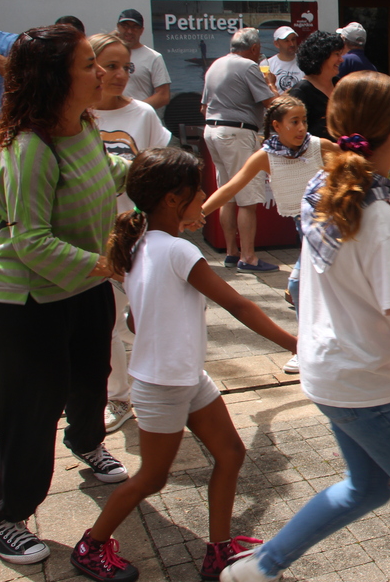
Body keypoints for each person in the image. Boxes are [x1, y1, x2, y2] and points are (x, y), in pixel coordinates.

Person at [221, 71, 390, 582]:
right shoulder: (380, 219)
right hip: (368, 382)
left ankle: (260, 567)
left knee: (366, 487)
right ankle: (262, 566)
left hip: (328, 372)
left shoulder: (323, 187)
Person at [70, 148, 298, 582]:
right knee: (151, 479)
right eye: (198, 192)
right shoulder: (178, 251)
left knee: (231, 453)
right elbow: (238, 305)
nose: (205, 198)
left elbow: (135, 319)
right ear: (173, 200)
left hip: (186, 377)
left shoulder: (141, 243)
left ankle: (218, 551)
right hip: (163, 384)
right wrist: (294, 343)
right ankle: (90, 547)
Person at [0, 26, 130, 565]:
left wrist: (148, 173)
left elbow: (106, 172)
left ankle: (87, 442)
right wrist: (107, 264)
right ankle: (8, 512)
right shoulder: (30, 147)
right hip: (31, 300)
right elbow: (29, 241)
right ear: (55, 79)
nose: (101, 72)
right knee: (33, 407)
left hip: (85, 284)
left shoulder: (83, 125)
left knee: (91, 375)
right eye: (87, 65)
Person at [202, 96, 340, 376]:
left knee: (300, 285)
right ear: (276, 126)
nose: (302, 127)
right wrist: (199, 213)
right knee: (311, 287)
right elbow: (231, 188)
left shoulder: (318, 146)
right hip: (307, 229)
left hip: (332, 226)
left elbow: (357, 162)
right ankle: (320, 346)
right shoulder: (266, 156)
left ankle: (309, 349)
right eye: (294, 122)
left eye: (304, 121)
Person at [89, 32, 173, 435]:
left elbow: (162, 168)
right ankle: (119, 396)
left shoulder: (142, 114)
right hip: (89, 235)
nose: (120, 74)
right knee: (106, 322)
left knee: (137, 317)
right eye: (111, 65)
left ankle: (159, 380)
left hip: (135, 235)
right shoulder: (74, 115)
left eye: (127, 66)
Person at [201, 27, 278, 272]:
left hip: (212, 130)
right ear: (254, 48)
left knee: (228, 193)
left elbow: (203, 107)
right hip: (237, 132)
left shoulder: (215, 65)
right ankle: (248, 257)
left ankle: (232, 252)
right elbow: (271, 103)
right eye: (259, 50)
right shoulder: (249, 67)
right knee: (247, 198)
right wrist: (271, 83)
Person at [288, 30, 344, 140]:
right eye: (337, 54)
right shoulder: (301, 91)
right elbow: (293, 134)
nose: (341, 59)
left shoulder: (341, 85)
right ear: (321, 56)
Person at [114, 9, 171, 117]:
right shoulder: (108, 55)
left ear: (141, 30)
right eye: (125, 26)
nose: (129, 31)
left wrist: (133, 110)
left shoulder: (153, 57)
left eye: (134, 27)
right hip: (109, 118)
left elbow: (163, 96)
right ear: (118, 27)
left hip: (139, 118)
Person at [265, 26, 304, 93]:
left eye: (293, 39)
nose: (291, 44)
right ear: (276, 44)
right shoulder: (267, 65)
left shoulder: (305, 62)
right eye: (286, 41)